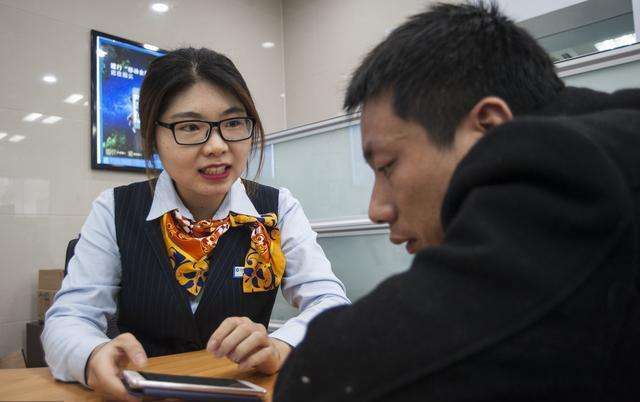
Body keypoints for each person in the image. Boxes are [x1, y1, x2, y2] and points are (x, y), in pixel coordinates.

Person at [274, 2, 640, 401]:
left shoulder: (581, 181)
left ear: (489, 127)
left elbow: (325, 376)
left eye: (387, 165)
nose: (376, 209)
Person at [42, 47, 350, 401]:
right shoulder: (114, 208)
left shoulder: (277, 208)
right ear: (151, 138)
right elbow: (69, 318)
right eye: (189, 127)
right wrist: (92, 355)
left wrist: (280, 345)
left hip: (241, 392)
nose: (217, 146)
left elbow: (331, 303)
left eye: (233, 123)